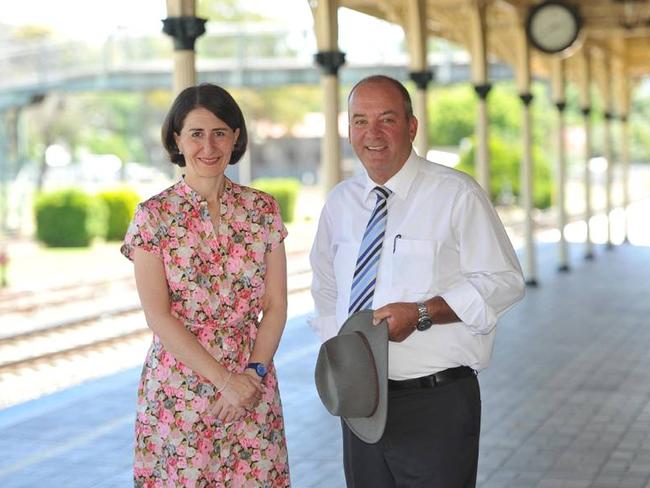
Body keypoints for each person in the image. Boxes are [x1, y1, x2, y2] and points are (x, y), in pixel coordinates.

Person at [309, 75, 525, 487]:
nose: (372, 133)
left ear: (411, 126)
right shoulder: (340, 202)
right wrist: (339, 363)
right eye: (359, 121)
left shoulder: (456, 194)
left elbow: (505, 281)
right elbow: (326, 289)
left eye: (386, 119)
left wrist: (424, 312)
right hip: (363, 405)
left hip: (436, 402)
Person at [121, 83, 290, 487]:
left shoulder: (262, 209)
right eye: (196, 133)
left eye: (219, 132)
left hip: (253, 385)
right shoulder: (153, 217)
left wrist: (252, 375)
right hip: (178, 392)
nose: (208, 146)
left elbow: (278, 305)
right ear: (176, 139)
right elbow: (158, 317)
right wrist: (225, 381)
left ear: (236, 137)